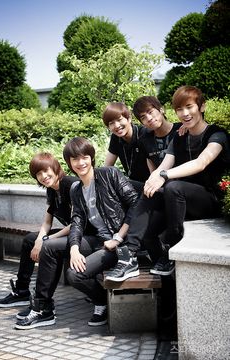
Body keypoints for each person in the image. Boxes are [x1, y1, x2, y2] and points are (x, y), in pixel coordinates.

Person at [106, 85, 230, 281]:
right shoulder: (180, 138)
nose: (185, 113)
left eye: (189, 107)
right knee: (151, 199)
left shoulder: (217, 134)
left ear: (202, 106)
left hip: (208, 200)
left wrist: (163, 176)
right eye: (180, 109)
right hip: (179, 198)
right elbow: (164, 165)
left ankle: (170, 250)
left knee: (172, 186)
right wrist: (153, 180)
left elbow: (201, 162)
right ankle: (129, 256)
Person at [63, 137, 139, 326]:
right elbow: (77, 221)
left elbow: (136, 204)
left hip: (120, 243)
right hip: (100, 240)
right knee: (54, 248)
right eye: (75, 159)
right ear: (69, 163)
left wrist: (118, 237)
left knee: (74, 274)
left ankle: (101, 302)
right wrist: (73, 248)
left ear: (91, 158)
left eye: (84, 157)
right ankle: (42, 304)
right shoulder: (76, 189)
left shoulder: (109, 174)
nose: (80, 163)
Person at [0, 153, 77, 313]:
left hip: (83, 234)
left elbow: (77, 223)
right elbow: (47, 221)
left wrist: (46, 240)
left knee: (49, 246)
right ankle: (21, 291)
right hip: (71, 232)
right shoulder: (52, 190)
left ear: (56, 168)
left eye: (46, 171)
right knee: (30, 240)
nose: (43, 176)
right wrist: (39, 240)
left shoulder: (70, 185)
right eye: (38, 174)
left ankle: (43, 303)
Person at [103, 102, 150, 192]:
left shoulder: (143, 134)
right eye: (111, 123)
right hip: (133, 185)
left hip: (150, 185)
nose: (117, 125)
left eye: (119, 120)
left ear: (129, 118)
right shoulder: (116, 138)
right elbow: (107, 168)